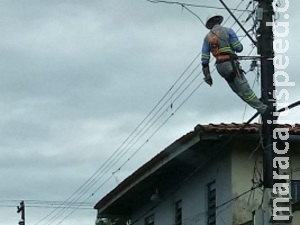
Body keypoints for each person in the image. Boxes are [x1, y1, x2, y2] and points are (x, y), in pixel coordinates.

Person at [201, 13, 268, 115]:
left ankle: (257, 105)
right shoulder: (228, 31)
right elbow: (239, 48)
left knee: (237, 90)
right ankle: (263, 108)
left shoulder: (207, 38)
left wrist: (208, 76)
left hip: (220, 67)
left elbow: (205, 60)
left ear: (210, 24)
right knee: (244, 87)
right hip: (230, 64)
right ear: (219, 20)